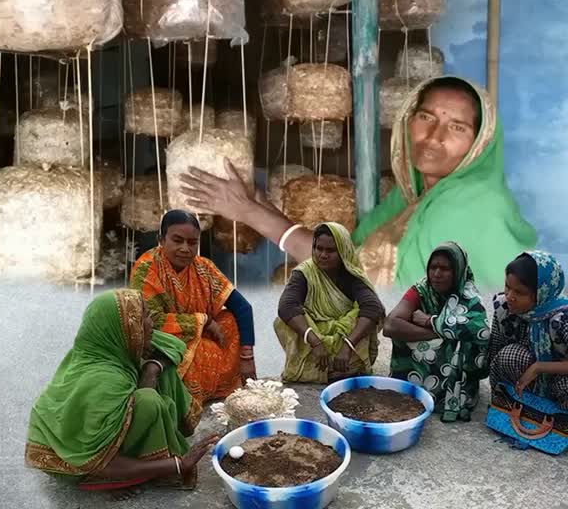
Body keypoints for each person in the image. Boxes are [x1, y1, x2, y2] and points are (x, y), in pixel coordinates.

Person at [179, 76, 537, 289]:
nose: (434, 136)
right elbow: (350, 255)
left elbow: (357, 278)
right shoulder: (412, 198)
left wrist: (250, 212)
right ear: (407, 122)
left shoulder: (472, 206)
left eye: (457, 127)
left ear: (480, 143)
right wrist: (255, 202)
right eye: (426, 117)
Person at [25, 289, 217, 491]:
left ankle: (138, 462)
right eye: (143, 317)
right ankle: (110, 483)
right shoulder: (107, 382)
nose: (151, 323)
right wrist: (178, 464)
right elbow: (99, 464)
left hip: (84, 446)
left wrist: (151, 369)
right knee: (150, 402)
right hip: (77, 465)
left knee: (159, 372)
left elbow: (171, 344)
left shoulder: (106, 347)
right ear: (126, 327)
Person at [130, 209, 256, 405]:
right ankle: (185, 398)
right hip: (166, 342)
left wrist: (247, 358)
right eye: (177, 240)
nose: (185, 249)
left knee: (230, 320)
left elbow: (242, 308)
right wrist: (203, 321)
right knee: (195, 349)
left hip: (198, 336)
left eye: (192, 242)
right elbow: (151, 320)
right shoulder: (146, 269)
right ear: (161, 240)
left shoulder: (203, 268)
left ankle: (223, 385)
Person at [383, 242, 490, 422]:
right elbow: (390, 325)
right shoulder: (422, 289)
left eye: (445, 269)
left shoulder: (469, 297)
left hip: (458, 375)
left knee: (460, 341)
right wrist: (440, 331)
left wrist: (431, 322)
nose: (437, 274)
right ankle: (414, 387)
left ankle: (454, 394)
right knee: (403, 333)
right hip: (420, 368)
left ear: (458, 270)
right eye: (433, 267)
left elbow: (482, 332)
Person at [275, 222, 384, 383]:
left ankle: (346, 367)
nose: (323, 255)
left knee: (362, 315)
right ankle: (309, 370)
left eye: (331, 250)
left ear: (343, 251)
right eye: (319, 249)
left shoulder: (352, 275)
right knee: (285, 320)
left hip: (345, 340)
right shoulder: (304, 273)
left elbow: (373, 307)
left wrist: (348, 345)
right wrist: (316, 342)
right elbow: (286, 306)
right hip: (314, 339)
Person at [488, 251, 568, 409]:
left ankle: (558, 418)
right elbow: (494, 352)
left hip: (559, 377)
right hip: (527, 379)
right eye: (507, 287)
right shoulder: (504, 308)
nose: (509, 296)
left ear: (541, 293)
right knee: (507, 356)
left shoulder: (562, 318)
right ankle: (519, 406)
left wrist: (539, 367)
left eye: (519, 292)